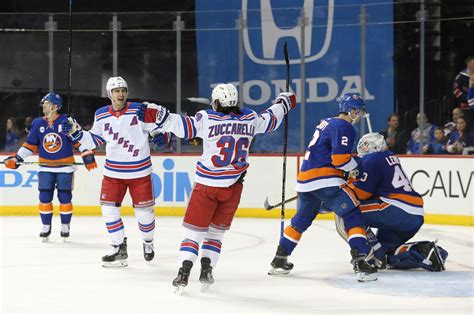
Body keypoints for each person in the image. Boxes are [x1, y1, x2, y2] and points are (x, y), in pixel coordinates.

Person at [137, 83, 296, 292]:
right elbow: (271, 119)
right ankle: (206, 270)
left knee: (193, 234)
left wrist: (160, 116)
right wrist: (284, 102)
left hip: (206, 186)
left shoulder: (208, 118)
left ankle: (183, 272)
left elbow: (183, 126)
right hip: (233, 189)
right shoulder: (250, 118)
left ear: (217, 102)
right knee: (215, 235)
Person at [268, 93, 378, 282]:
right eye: (357, 111)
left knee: (300, 221)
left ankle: (279, 259)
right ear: (351, 110)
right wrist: (356, 167)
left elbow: (328, 156)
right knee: (353, 216)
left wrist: (346, 169)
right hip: (326, 181)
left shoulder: (325, 122)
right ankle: (361, 263)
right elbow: (339, 159)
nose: (359, 115)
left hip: (305, 180)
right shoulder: (344, 126)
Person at [61, 76, 163, 267]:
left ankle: (148, 243)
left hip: (139, 172)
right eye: (116, 91)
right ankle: (119, 248)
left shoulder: (139, 110)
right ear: (110, 94)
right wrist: (75, 132)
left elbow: (155, 127)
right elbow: (94, 140)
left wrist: (160, 135)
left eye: (123, 90)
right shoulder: (101, 114)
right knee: (108, 211)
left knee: (144, 215)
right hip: (113, 173)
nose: (121, 94)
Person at [336, 133, 448, 272]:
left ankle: (366, 255)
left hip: (395, 208)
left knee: (344, 212)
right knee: (388, 256)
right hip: (415, 214)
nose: (361, 155)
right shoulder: (389, 156)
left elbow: (361, 194)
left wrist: (337, 194)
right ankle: (425, 252)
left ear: (370, 148)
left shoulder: (373, 158)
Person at [3, 93, 95, 242]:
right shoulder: (38, 123)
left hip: (65, 167)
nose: (42, 105)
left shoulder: (66, 121)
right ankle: (46, 226)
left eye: (45, 103)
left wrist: (87, 153)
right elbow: (30, 145)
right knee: (44, 196)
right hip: (45, 167)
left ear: (55, 106)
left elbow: (78, 140)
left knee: (65, 197)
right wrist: (18, 158)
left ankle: (65, 226)